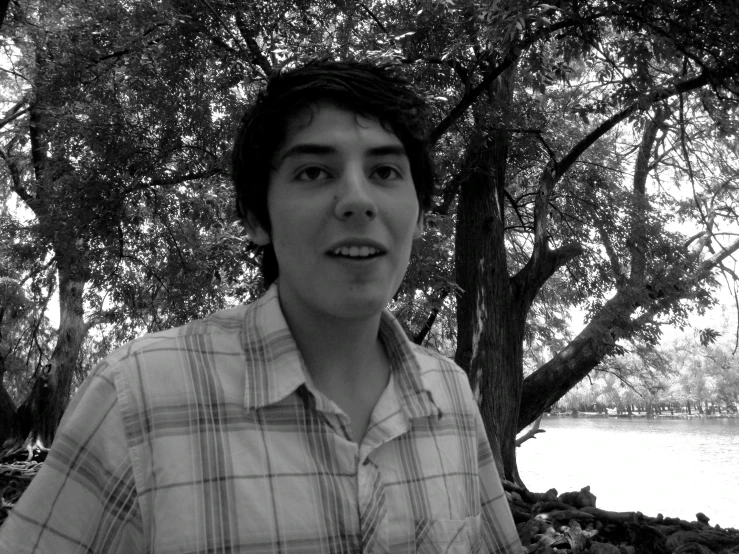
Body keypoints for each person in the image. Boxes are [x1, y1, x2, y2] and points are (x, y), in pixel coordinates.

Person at [0, 60, 522, 553]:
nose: (358, 200)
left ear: (421, 214)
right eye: (314, 172)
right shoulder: (136, 397)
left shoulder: (449, 395)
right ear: (255, 219)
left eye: (385, 171)